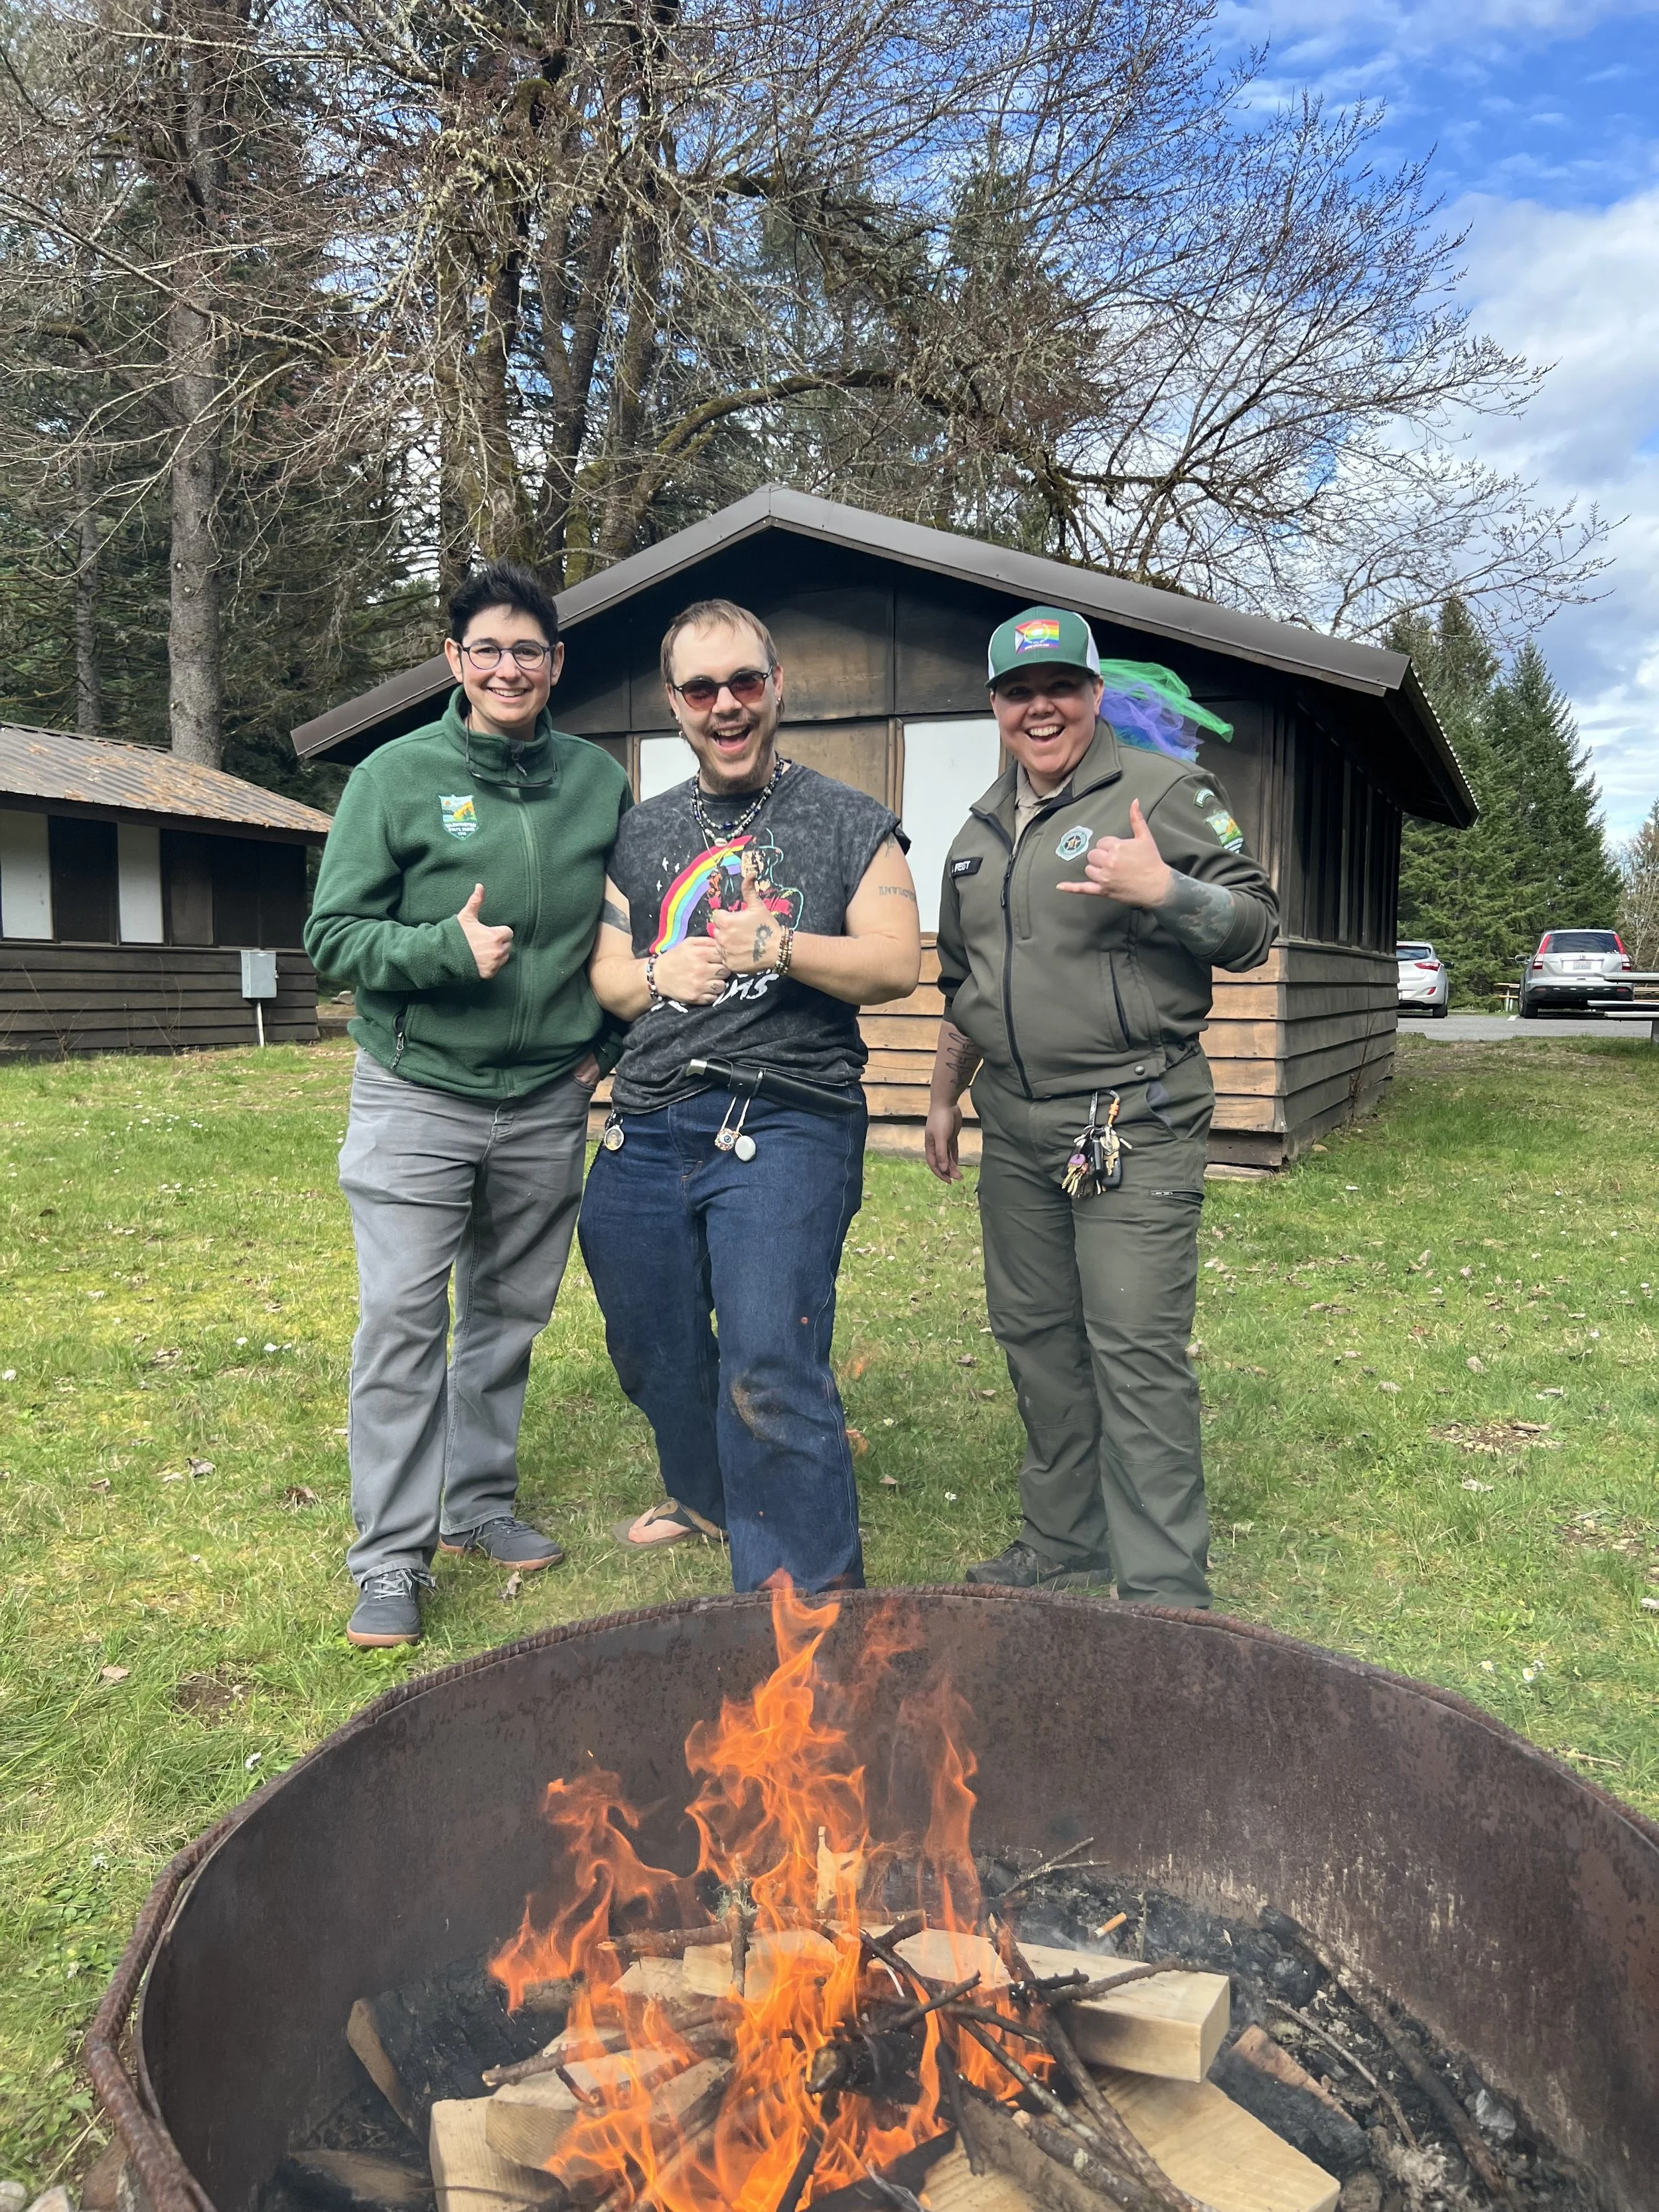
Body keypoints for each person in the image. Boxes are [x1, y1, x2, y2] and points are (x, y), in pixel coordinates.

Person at [305, 561, 630, 1647]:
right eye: (486, 649)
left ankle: (476, 1505)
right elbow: (332, 942)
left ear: (556, 664)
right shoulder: (393, 779)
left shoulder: (597, 781)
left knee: (506, 1316)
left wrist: (607, 1046)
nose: (507, 668)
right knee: (403, 1319)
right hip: (416, 1094)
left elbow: (638, 927)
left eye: (527, 650)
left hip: (545, 1100)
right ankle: (389, 1559)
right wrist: (442, 950)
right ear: (453, 661)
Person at [924, 606, 1277, 1607]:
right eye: (1018, 693)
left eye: (1060, 689)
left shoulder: (1163, 791)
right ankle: (1061, 1539)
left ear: (1091, 693)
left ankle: (1165, 1588)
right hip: (1019, 1126)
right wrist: (945, 1096)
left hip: (1133, 1121)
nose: (1041, 709)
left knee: (1133, 1346)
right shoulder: (976, 832)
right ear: (996, 707)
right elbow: (966, 983)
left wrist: (1167, 890)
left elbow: (1254, 926)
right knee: (1036, 1338)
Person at [579, 597, 921, 1593]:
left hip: (786, 1115)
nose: (724, 704)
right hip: (646, 1120)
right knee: (651, 1344)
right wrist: (656, 976)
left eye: (744, 682)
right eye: (700, 688)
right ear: (674, 704)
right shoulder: (639, 836)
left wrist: (778, 946)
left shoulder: (851, 822)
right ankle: (707, 1495)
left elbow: (896, 963)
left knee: (770, 1361)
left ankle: (806, 1615)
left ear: (777, 687)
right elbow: (606, 974)